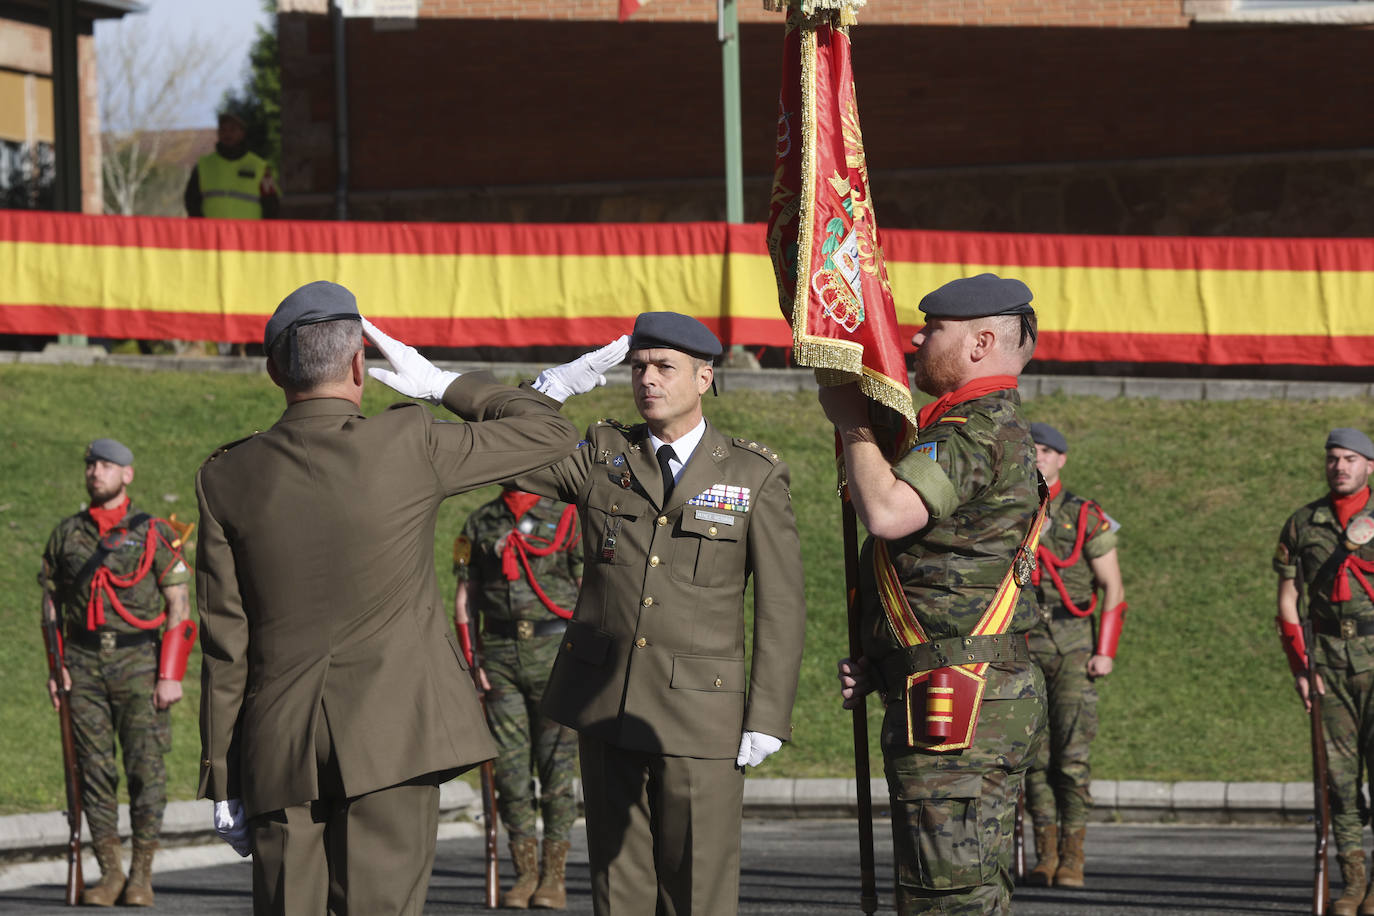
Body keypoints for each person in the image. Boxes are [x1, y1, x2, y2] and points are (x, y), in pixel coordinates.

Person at [196, 280, 622, 914]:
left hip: (277, 749)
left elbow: (224, 645)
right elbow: (551, 437)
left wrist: (222, 775)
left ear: (273, 370)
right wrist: (447, 385)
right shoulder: (408, 443)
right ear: (357, 365)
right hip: (394, 737)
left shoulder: (225, 476)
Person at [508, 311, 807, 915]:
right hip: (609, 703)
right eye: (639, 366)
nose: (647, 379)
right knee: (617, 893)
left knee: (697, 889)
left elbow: (782, 601)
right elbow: (512, 453)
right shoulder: (603, 454)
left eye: (664, 367)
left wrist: (767, 714)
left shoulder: (752, 472)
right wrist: (549, 391)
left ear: (704, 377)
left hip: (701, 715)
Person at [823, 273, 1048, 915]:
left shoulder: (974, 429)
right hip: (950, 685)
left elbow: (891, 514)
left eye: (934, 328)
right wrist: (888, 657)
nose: (916, 338)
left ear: (981, 342)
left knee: (946, 900)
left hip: (960, 701)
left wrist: (853, 429)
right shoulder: (972, 425)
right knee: (957, 890)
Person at [39, 438, 195, 907]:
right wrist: (55, 668)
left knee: (146, 769)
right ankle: (109, 874)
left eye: (106, 465)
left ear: (127, 474)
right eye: (90, 465)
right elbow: (51, 605)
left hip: (140, 665)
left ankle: (141, 874)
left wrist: (171, 674)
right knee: (92, 771)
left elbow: (179, 606)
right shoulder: (67, 534)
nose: (95, 472)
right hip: (82, 667)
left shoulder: (153, 532)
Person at [453, 487, 582, 908]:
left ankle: (554, 877)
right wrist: (473, 662)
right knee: (509, 773)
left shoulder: (567, 518)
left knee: (556, 772)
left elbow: (590, 591)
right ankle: (524, 874)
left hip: (556, 656)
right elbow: (465, 599)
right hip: (500, 659)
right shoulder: (480, 521)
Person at [1022, 421, 1126, 888]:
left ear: (1061, 458)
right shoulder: (1010, 510)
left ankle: (1073, 858)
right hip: (1022, 646)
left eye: (1047, 450)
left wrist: (1105, 652)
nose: (1039, 456)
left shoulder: (1084, 515)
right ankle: (1044, 857)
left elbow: (1113, 589)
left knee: (1071, 759)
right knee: (1032, 758)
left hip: (1073, 645)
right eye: (1033, 449)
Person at [1274, 427, 1374, 916]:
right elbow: (1289, 601)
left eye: (1351, 458)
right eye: (1334, 458)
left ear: (1369, 467)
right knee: (1338, 779)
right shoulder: (1303, 523)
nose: (1340, 466)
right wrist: (1301, 666)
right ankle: (1353, 882)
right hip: (1328, 661)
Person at [184, 112, 279, 220]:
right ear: (218, 133)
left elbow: (271, 205)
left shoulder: (260, 167)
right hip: (213, 234)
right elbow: (191, 201)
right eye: (223, 130)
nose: (227, 134)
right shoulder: (203, 166)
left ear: (242, 133)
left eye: (232, 129)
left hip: (248, 234)